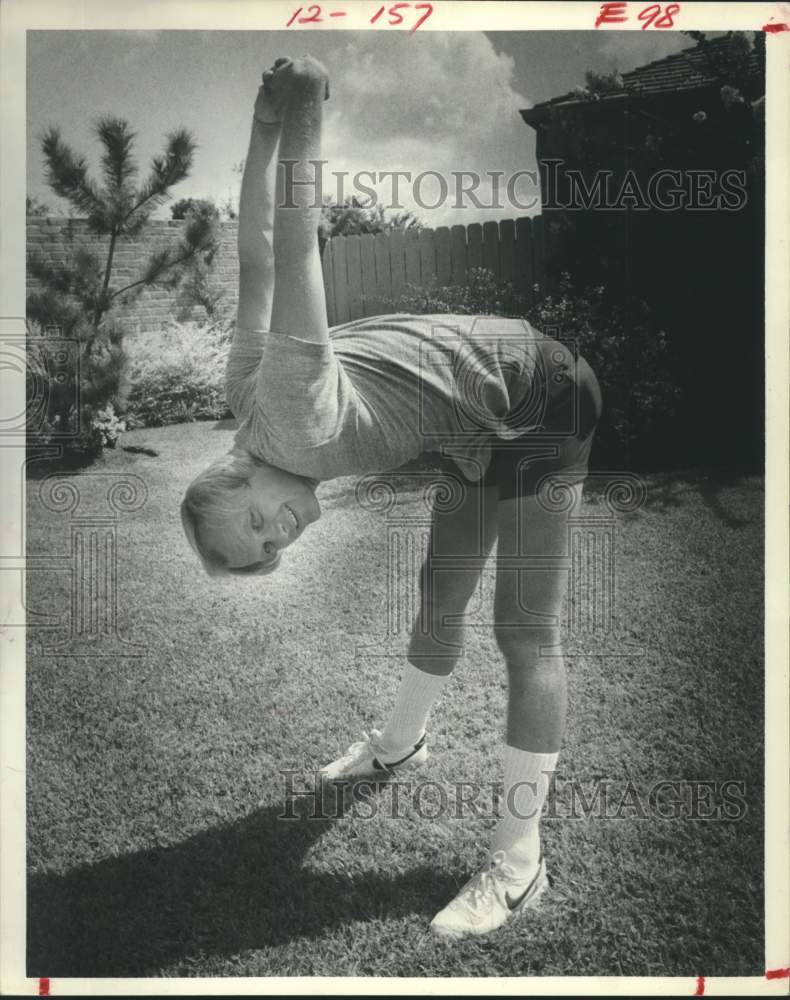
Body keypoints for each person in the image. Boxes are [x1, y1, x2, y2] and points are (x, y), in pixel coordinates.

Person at [180, 56, 603, 939]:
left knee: (524, 631)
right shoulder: (243, 402)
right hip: (476, 424)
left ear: (232, 471)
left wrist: (300, 111)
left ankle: (520, 864)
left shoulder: (291, 413)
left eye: (256, 521)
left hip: (540, 395)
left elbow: (293, 243)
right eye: (271, 549)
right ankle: (404, 741)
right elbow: (251, 251)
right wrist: (259, 128)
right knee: (439, 595)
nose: (282, 532)